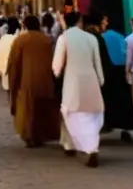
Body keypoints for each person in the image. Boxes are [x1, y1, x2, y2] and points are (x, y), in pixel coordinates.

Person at [54, 11, 105, 168]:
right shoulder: (91, 38)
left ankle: (72, 145)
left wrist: (57, 74)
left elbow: (57, 65)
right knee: (91, 115)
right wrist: (100, 80)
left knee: (72, 113)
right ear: (80, 21)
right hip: (91, 80)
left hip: (72, 81)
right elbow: (98, 62)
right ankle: (92, 148)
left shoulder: (64, 38)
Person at [7, 15, 60, 147]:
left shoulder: (20, 40)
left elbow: (14, 63)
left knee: (28, 110)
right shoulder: (46, 40)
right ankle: (41, 135)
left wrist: (14, 82)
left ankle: (29, 136)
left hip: (27, 81)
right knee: (42, 109)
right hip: (45, 80)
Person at [90, 14, 133, 140]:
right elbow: (125, 53)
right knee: (123, 102)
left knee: (107, 101)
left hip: (107, 72)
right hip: (119, 71)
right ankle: (125, 129)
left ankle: (106, 124)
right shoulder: (119, 37)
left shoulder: (101, 38)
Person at [0, 17, 20, 90]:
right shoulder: (19, 38)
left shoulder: (4, 39)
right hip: (18, 70)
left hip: (5, 68)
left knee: (8, 88)